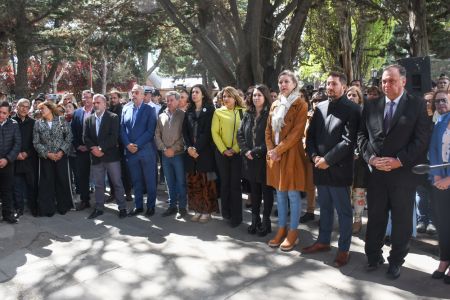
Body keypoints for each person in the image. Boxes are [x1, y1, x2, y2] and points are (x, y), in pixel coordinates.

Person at [358, 64, 430, 279]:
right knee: (376, 218)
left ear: (403, 81)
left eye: (391, 81)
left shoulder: (416, 105)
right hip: (377, 175)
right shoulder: (371, 105)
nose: (386, 85)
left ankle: (396, 261)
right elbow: (361, 136)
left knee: (401, 222)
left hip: (402, 176)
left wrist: (399, 161)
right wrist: (370, 158)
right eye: (383, 81)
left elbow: (421, 140)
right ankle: (373, 256)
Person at [303, 72, 360, 267]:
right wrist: (314, 157)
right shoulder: (319, 108)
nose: (329, 87)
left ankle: (344, 249)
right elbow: (310, 137)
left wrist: (328, 159)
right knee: (325, 208)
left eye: (334, 84)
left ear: (343, 87)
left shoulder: (353, 109)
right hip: (320, 167)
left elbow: (348, 141)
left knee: (344, 213)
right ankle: (323, 242)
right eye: (328, 83)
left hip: (339, 169)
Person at [266, 70, 308, 251]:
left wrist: (278, 150)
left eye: (286, 82)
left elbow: (296, 134)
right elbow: (268, 131)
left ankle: (293, 232)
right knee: (280, 194)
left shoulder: (300, 104)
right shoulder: (275, 104)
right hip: (275, 156)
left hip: (291, 154)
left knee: (292, 193)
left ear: (294, 84)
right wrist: (271, 150)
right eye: (280, 82)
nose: (283, 85)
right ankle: (281, 229)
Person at [83, 94, 127, 219]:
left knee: (117, 183)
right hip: (96, 157)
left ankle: (122, 207)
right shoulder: (89, 119)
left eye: (98, 102)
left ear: (104, 104)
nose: (95, 105)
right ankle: (99, 207)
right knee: (98, 184)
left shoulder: (113, 117)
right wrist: (93, 149)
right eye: (94, 102)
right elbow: (85, 137)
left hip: (111, 156)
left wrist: (100, 148)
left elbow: (113, 137)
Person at [237, 84, 274, 236]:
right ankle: (255, 219)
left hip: (264, 160)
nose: (256, 98)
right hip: (249, 159)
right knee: (255, 191)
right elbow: (239, 134)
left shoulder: (271, 114)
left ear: (265, 97)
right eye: (254, 95)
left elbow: (272, 138)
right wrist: (246, 151)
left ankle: (266, 222)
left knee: (267, 192)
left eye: (259, 95)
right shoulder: (247, 114)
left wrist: (256, 151)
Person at [183, 84, 218, 223]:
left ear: (203, 94)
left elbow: (208, 132)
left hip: (205, 152)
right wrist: (189, 148)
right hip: (191, 153)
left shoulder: (210, 110)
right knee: (193, 182)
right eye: (192, 92)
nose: (194, 94)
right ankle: (197, 209)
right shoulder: (189, 110)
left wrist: (196, 148)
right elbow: (184, 132)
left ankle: (207, 211)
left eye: (197, 92)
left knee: (206, 182)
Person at [121, 84, 158, 217]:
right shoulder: (126, 109)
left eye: (137, 92)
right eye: (133, 92)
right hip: (131, 152)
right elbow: (122, 129)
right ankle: (138, 206)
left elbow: (150, 131)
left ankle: (151, 206)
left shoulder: (150, 109)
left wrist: (136, 144)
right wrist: (127, 144)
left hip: (146, 151)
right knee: (136, 181)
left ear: (143, 95)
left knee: (149, 181)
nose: (134, 94)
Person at [211, 86, 246, 227]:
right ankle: (226, 212)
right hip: (222, 154)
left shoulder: (243, 112)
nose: (225, 99)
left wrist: (236, 149)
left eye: (228, 96)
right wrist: (224, 149)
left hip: (238, 154)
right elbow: (215, 133)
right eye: (224, 96)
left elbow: (244, 133)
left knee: (235, 185)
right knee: (225, 183)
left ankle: (236, 217)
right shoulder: (218, 112)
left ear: (235, 97)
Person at [33, 100, 74, 216]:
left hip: (61, 157)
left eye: (42, 109)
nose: (40, 111)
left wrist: (61, 151)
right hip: (46, 158)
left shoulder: (61, 120)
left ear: (50, 109)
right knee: (47, 183)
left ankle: (63, 206)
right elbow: (36, 142)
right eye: (39, 109)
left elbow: (69, 137)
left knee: (62, 180)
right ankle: (47, 209)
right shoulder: (38, 123)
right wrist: (47, 154)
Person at [428, 90, 450, 284]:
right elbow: (433, 150)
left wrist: (449, 179)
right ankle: (444, 260)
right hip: (439, 181)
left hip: (448, 180)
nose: (441, 104)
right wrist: (436, 175)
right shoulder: (439, 122)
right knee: (443, 224)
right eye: (437, 101)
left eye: (444, 100)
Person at [155, 91, 187, 218]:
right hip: (165, 155)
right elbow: (157, 135)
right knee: (169, 182)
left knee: (180, 181)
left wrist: (173, 149)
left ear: (178, 101)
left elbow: (184, 136)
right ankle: (172, 206)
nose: (168, 102)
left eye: (171, 100)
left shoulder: (183, 115)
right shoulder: (161, 116)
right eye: (167, 100)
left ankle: (182, 207)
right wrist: (163, 148)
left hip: (178, 154)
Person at [345, 86, 369, 234]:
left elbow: (366, 135)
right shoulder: (342, 113)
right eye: (348, 95)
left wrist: (359, 152)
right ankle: (346, 219)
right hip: (344, 158)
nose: (351, 97)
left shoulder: (364, 113)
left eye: (354, 95)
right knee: (346, 190)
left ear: (359, 98)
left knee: (358, 190)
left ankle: (358, 219)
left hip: (360, 158)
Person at [12, 99, 37, 217]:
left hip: (29, 159)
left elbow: (35, 142)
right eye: (22, 106)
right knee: (17, 186)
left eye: (27, 107)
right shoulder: (10, 121)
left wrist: (27, 153)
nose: (24, 109)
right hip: (15, 159)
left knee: (31, 185)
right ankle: (19, 209)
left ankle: (33, 207)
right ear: (17, 107)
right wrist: (15, 154)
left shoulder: (33, 122)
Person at [71, 90, 95, 210]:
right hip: (81, 150)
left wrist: (92, 146)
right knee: (82, 176)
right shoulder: (77, 113)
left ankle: (100, 202)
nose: (86, 100)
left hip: (96, 149)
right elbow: (73, 131)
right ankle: (85, 200)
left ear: (92, 98)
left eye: (88, 97)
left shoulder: (99, 111)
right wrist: (77, 146)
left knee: (99, 175)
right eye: (83, 97)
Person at [108, 89, 133, 202]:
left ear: (119, 98)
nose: (113, 100)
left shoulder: (123, 110)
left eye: (115, 98)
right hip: (110, 146)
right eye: (111, 98)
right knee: (110, 170)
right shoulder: (107, 110)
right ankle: (113, 192)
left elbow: (123, 128)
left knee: (124, 169)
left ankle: (127, 192)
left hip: (121, 144)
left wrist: (120, 141)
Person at [0, 101, 21, 223]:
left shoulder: (14, 124)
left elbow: (17, 144)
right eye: (0, 112)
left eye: (4, 113)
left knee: (7, 190)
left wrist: (7, 159)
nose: (1, 115)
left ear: (9, 114)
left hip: (8, 163)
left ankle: (8, 215)